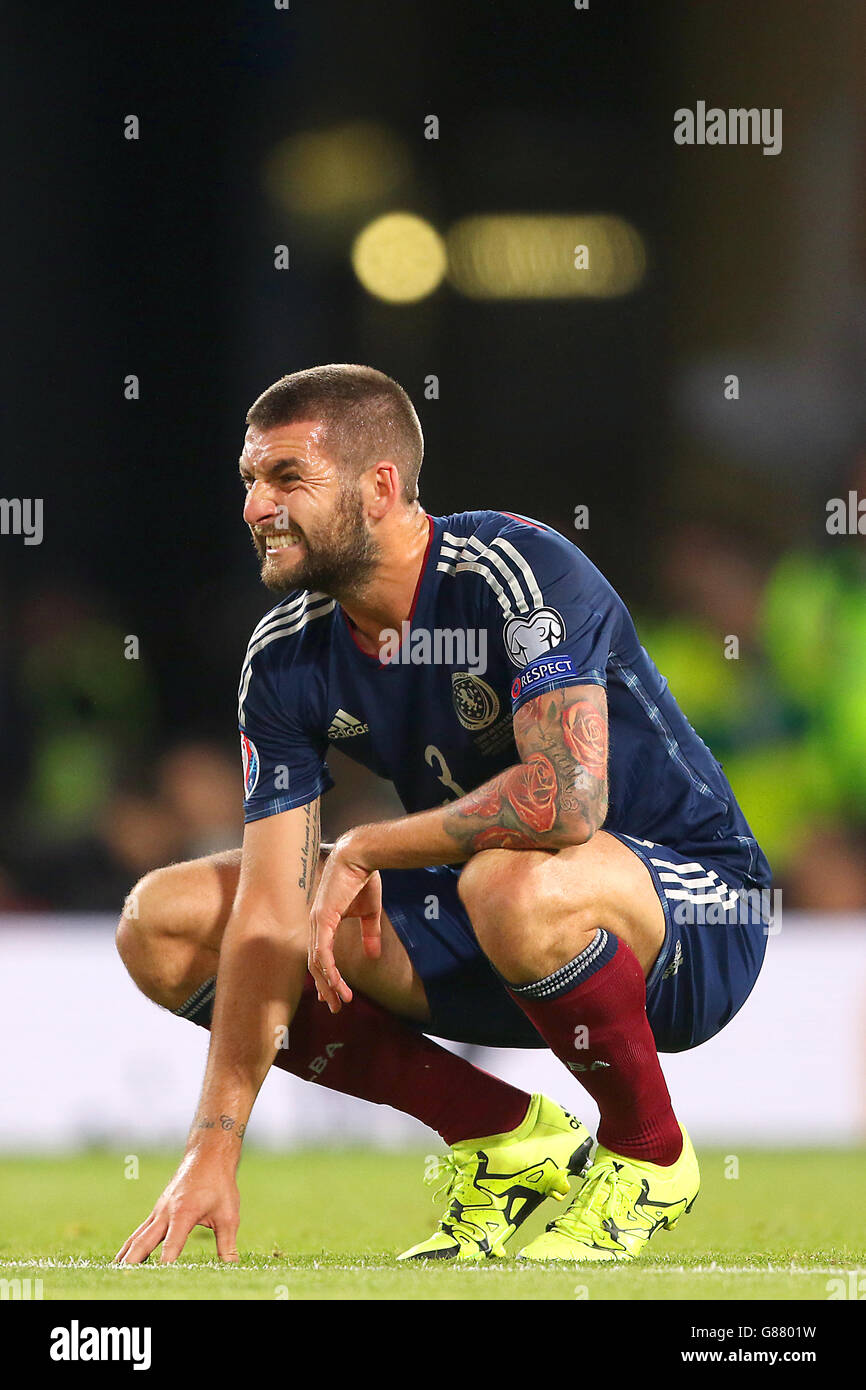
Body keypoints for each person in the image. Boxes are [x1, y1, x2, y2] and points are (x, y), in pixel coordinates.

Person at [115, 364, 771, 1267]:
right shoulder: (284, 658)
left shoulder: (512, 568)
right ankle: (505, 1138)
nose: (254, 507)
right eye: (248, 481)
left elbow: (569, 799)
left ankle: (648, 1155)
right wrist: (213, 1146)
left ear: (381, 486)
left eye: (286, 479)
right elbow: (270, 913)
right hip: (493, 919)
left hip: (694, 913)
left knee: (508, 878)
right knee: (165, 923)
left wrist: (372, 844)